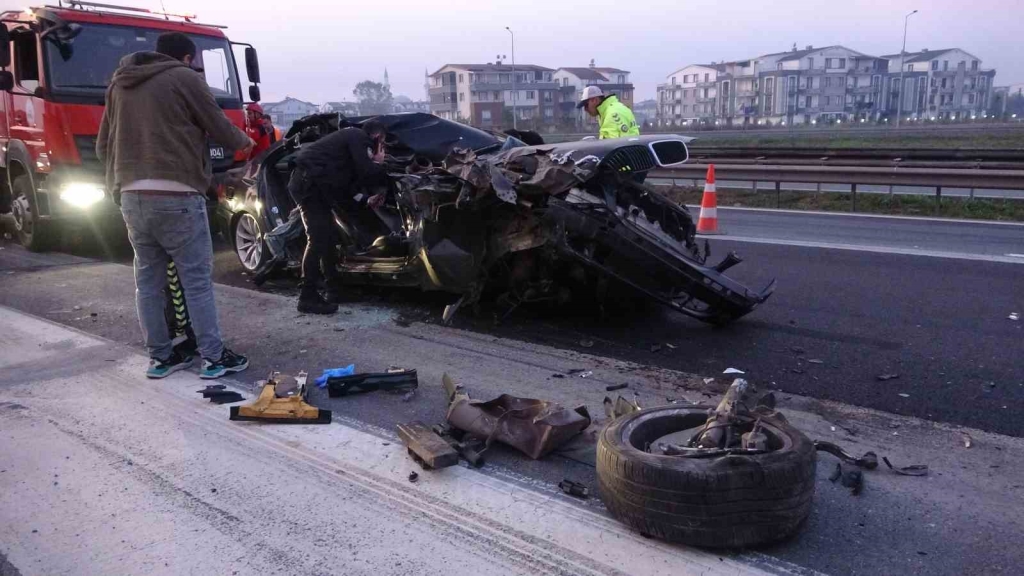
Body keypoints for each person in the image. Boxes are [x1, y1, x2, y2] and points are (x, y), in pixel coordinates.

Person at [97, 32, 255, 379]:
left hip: (131, 196)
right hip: (177, 194)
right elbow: (220, 128)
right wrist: (249, 143)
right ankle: (214, 358)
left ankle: (161, 358)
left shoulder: (119, 84)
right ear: (186, 57)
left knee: (148, 282)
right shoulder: (184, 78)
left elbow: (103, 145)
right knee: (196, 280)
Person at [287, 120, 389, 314]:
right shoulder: (358, 136)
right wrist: (379, 163)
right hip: (308, 185)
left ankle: (334, 290)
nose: (381, 147)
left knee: (329, 237)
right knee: (318, 238)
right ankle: (307, 297)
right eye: (382, 143)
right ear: (376, 137)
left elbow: (347, 188)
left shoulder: (348, 152)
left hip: (316, 186)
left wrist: (366, 200)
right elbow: (367, 171)